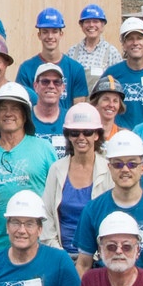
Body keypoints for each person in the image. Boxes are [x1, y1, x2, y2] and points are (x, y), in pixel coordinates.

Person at [0, 86, 58, 259]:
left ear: (25, 116)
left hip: (39, 246)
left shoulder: (45, 149)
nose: (8, 113)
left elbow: (58, 198)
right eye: (3, 108)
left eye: (15, 108)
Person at [72, 131, 143, 273]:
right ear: (109, 168)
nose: (125, 169)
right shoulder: (93, 210)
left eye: (132, 164)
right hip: (105, 285)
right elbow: (83, 264)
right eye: (118, 164)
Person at [42, 102, 110, 253]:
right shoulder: (57, 169)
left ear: (96, 135)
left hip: (99, 257)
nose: (81, 137)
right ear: (68, 136)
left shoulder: (109, 170)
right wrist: (59, 254)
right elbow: (47, 215)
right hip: (61, 255)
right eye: (74, 133)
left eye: (87, 132)